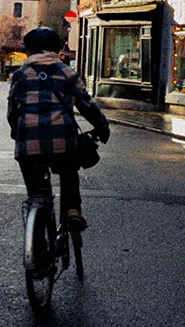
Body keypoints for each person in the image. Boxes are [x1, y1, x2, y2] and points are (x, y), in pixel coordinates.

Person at [7, 26, 110, 230]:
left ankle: (37, 227)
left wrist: (16, 131)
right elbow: (87, 104)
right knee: (69, 171)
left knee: (36, 191)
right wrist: (102, 126)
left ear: (29, 50)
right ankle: (72, 211)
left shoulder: (20, 75)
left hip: (28, 144)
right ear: (56, 49)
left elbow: (13, 111)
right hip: (62, 139)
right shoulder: (67, 73)